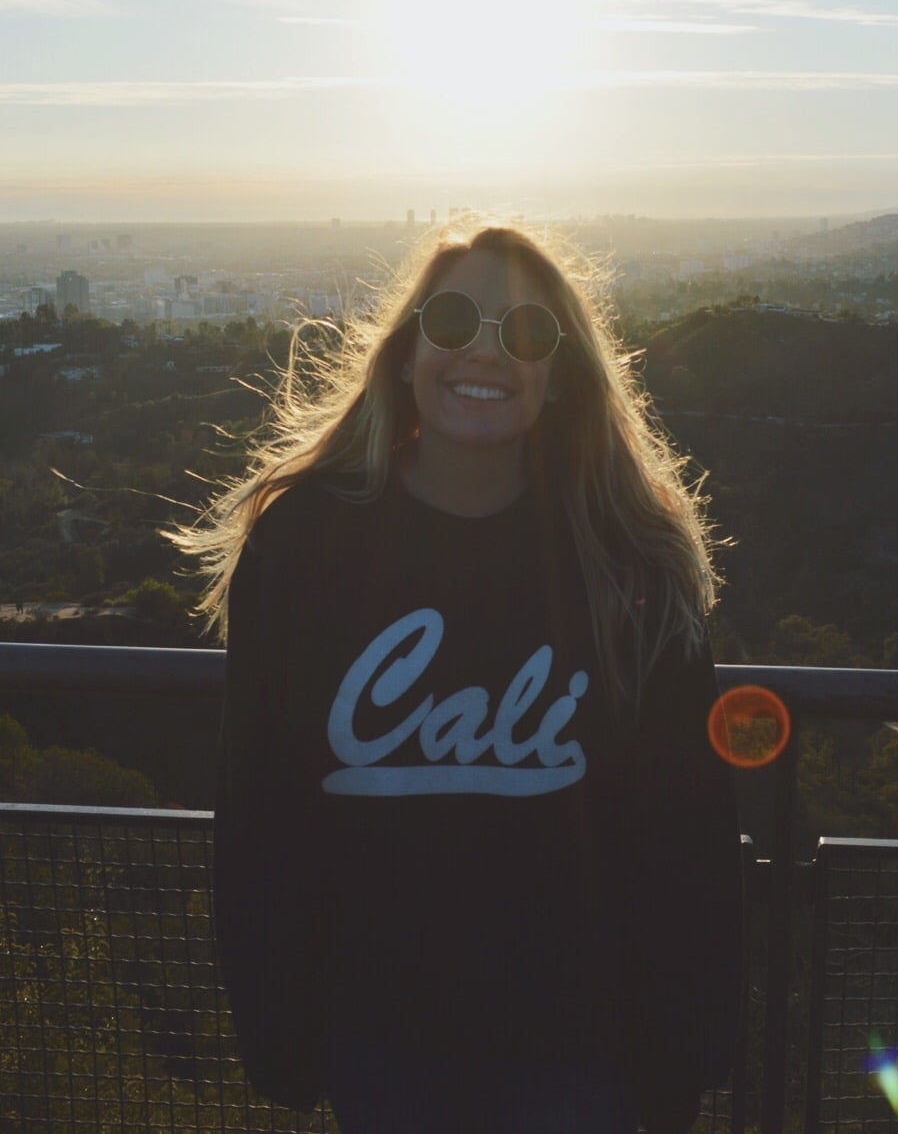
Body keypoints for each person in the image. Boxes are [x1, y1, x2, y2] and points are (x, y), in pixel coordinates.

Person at [171, 221, 742, 1134]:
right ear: (404, 356)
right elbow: (259, 800)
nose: (486, 350)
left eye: (526, 333)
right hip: (380, 1042)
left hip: (579, 1048)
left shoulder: (627, 563)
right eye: (452, 320)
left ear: (558, 377)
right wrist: (276, 1025)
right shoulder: (304, 546)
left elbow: (687, 828)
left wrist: (682, 1050)